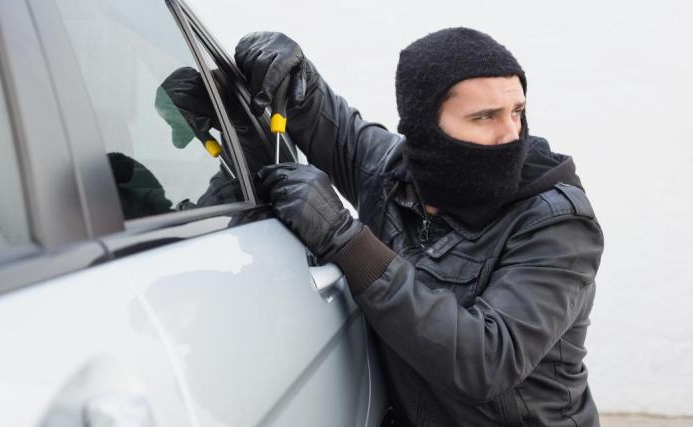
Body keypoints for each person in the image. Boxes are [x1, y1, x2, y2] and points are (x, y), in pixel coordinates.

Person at [236, 28, 604, 426]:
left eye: (517, 112)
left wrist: (346, 240)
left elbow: (486, 361)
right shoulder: (394, 172)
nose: (510, 134)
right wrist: (281, 65)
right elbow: (327, 121)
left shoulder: (557, 222)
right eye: (484, 117)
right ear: (426, 126)